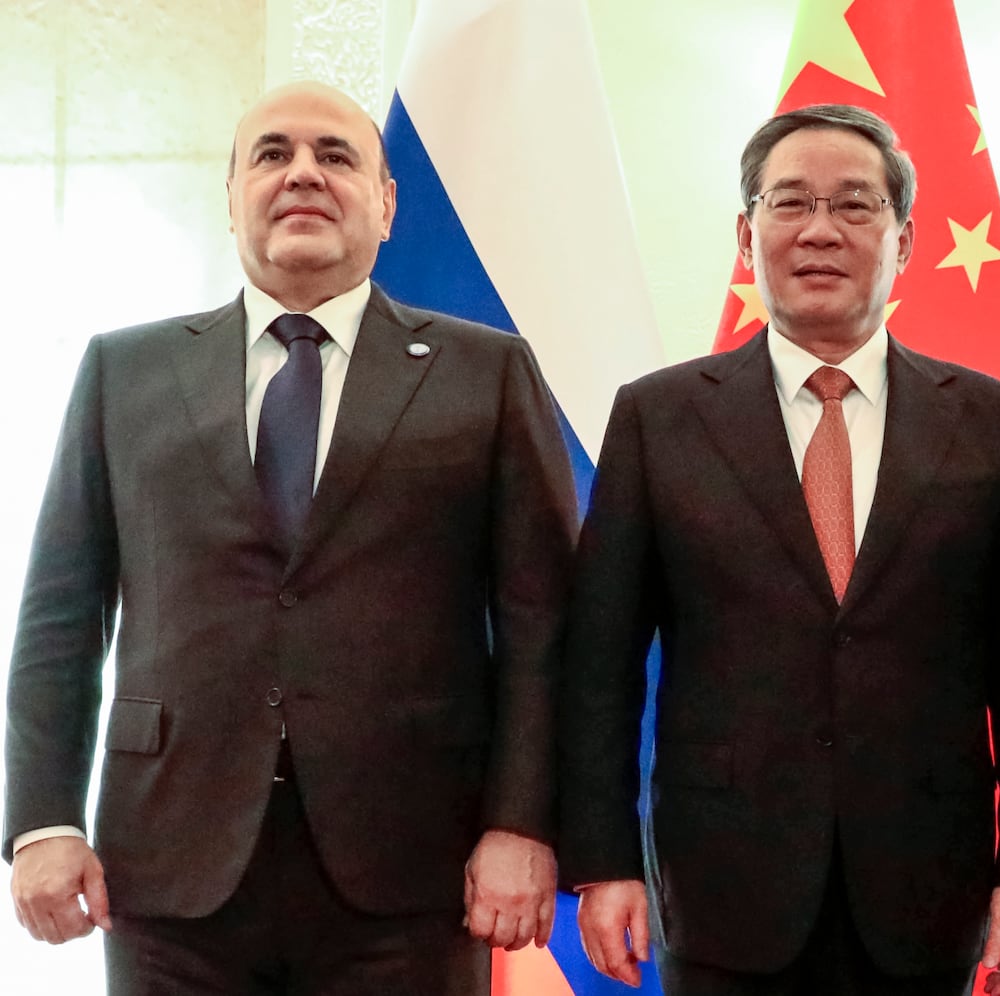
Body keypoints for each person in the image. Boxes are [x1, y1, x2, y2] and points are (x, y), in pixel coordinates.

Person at [3, 81, 578, 994]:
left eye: (336, 155)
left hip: (411, 872)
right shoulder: (125, 373)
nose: (302, 173)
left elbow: (546, 630)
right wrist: (42, 821)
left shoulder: (487, 373)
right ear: (231, 196)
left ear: (387, 205)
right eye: (272, 154)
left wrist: (522, 824)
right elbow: (59, 619)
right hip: (168, 873)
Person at [558, 103, 1000, 995]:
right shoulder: (660, 418)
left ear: (904, 240)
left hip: (927, 886)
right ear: (746, 233)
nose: (820, 231)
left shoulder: (994, 423)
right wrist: (604, 862)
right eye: (789, 203)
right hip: (723, 885)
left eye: (855, 206)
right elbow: (599, 664)